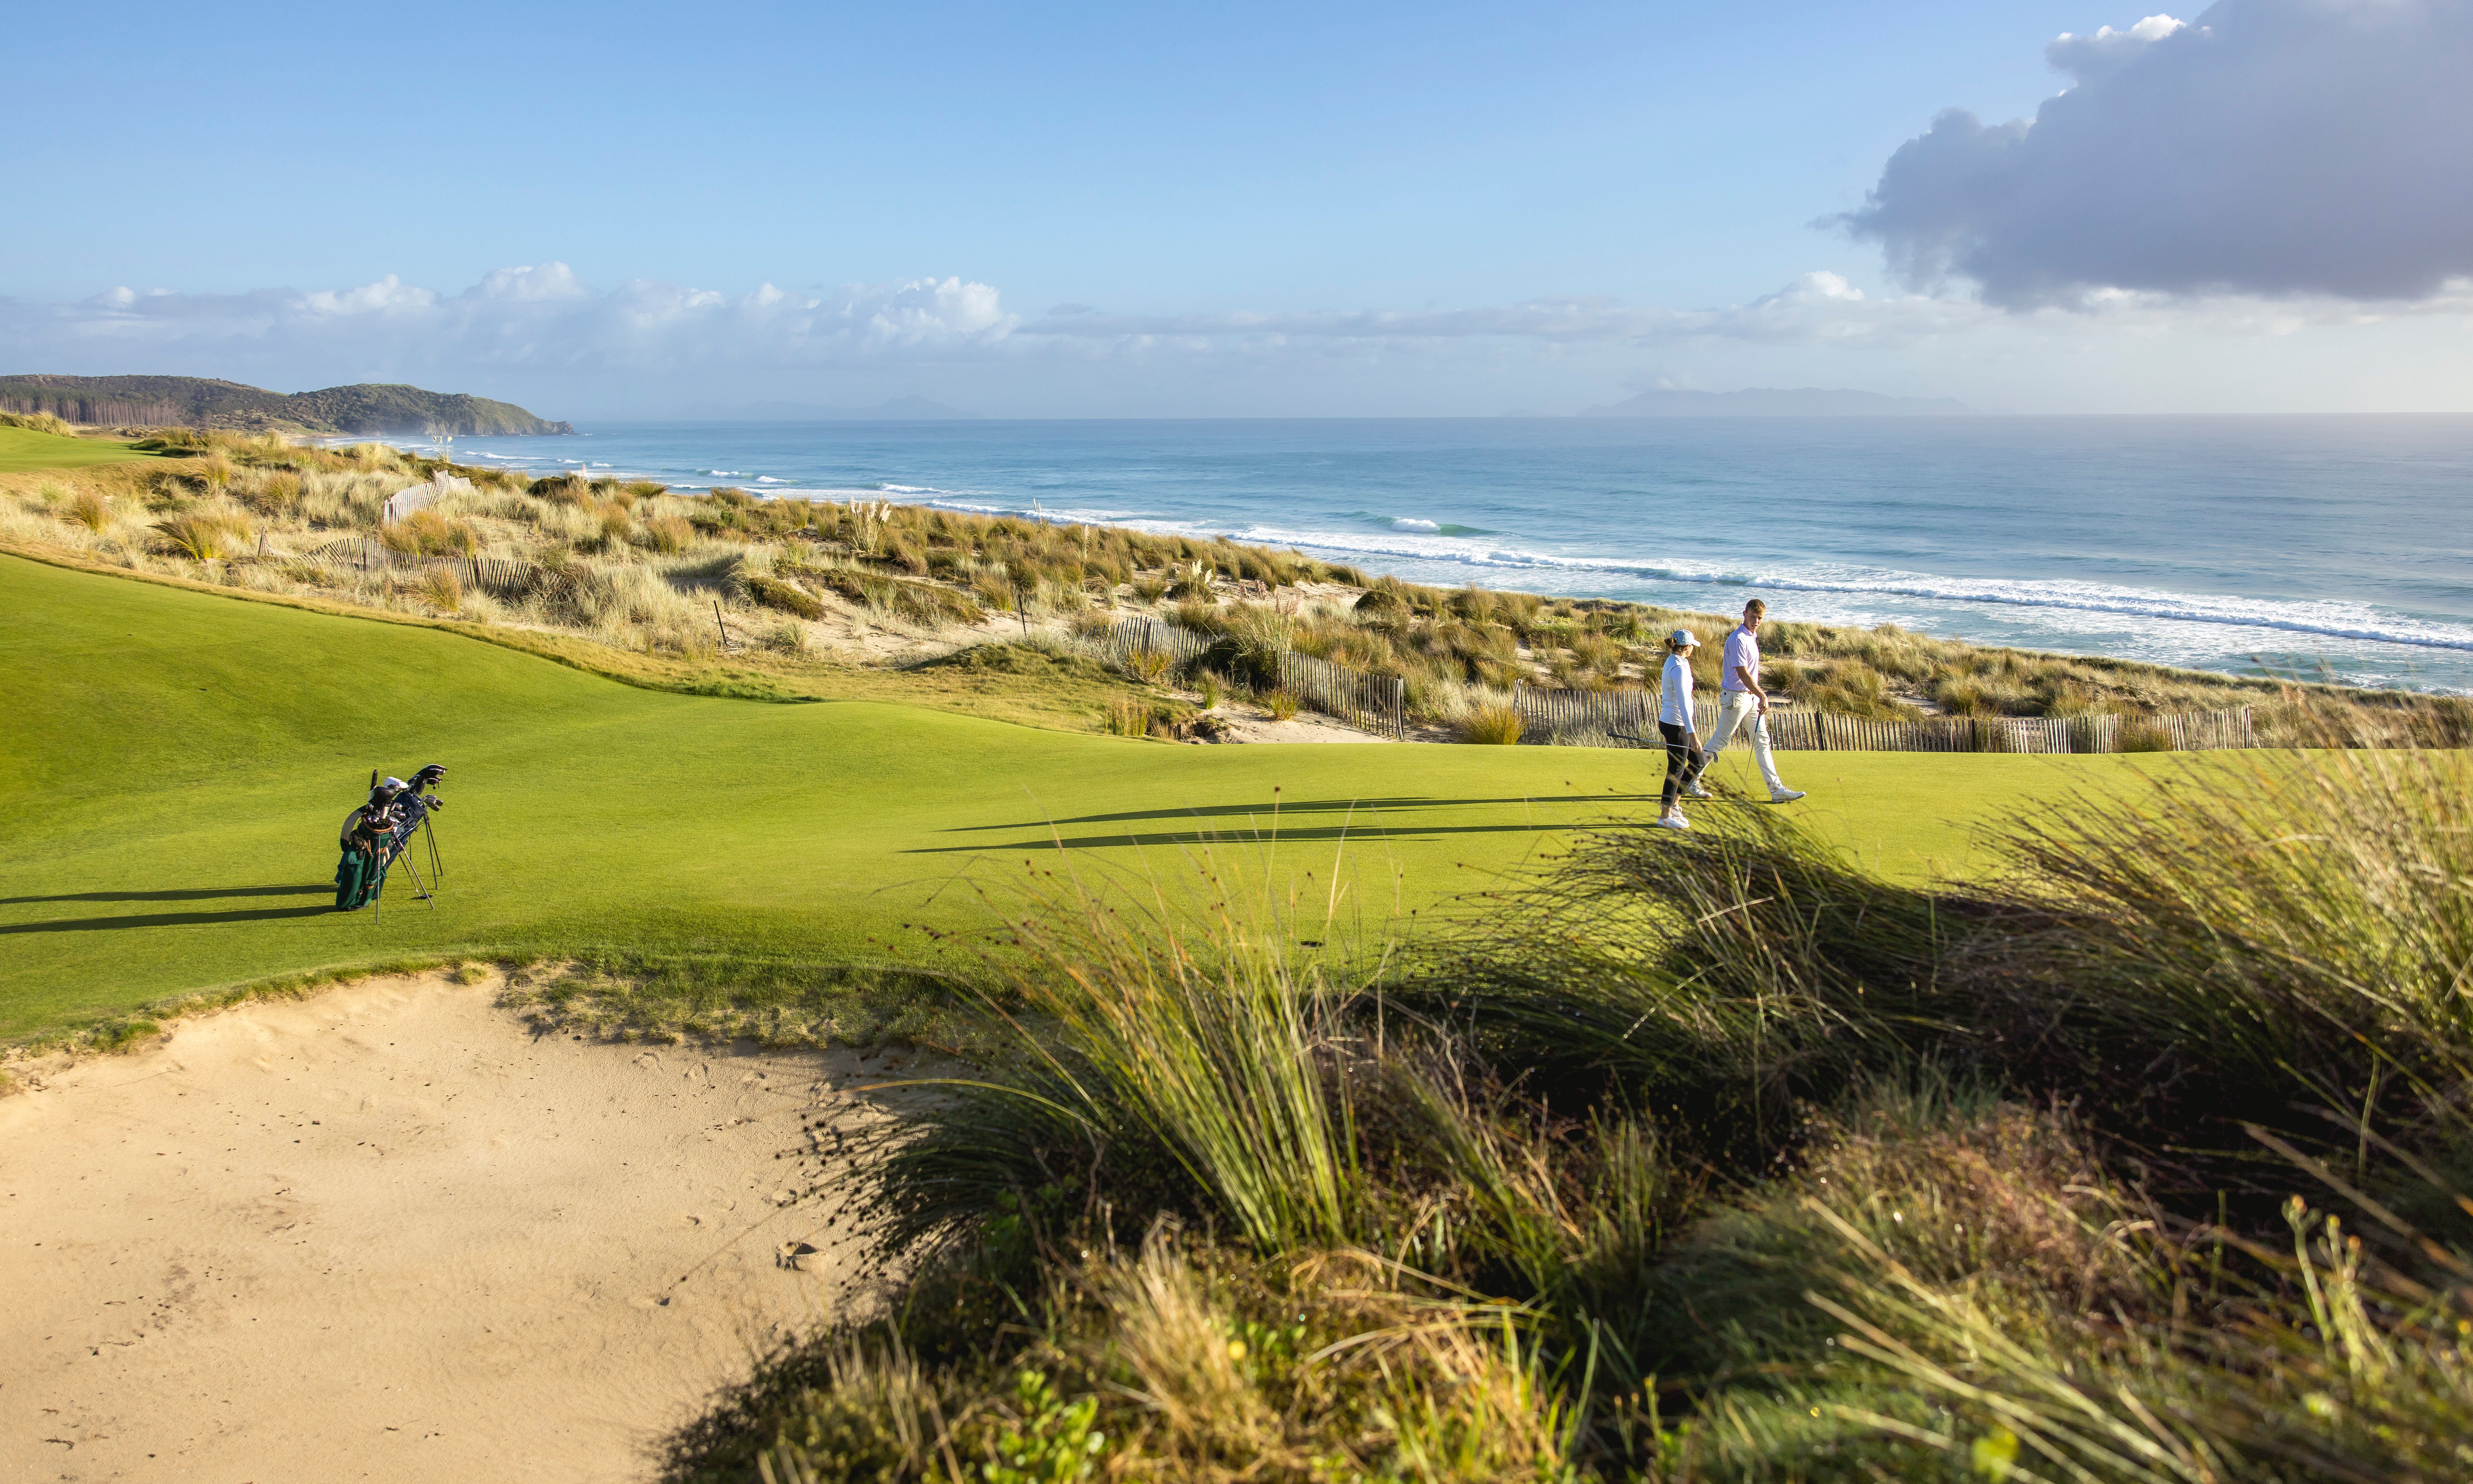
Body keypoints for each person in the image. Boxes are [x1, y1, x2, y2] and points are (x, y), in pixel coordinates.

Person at [1702, 599, 1806, 804]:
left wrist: (1757, 695)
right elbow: (1743, 673)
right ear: (1744, 614)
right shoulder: (1739, 638)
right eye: (1753, 617)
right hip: (1736, 697)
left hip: (1748, 698)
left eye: (1760, 619)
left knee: (1762, 742)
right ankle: (1691, 779)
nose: (1756, 621)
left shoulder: (1752, 637)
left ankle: (1776, 790)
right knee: (1720, 741)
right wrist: (1763, 695)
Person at [1654, 628, 1707, 830]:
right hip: (1676, 725)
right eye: (1692, 645)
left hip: (1677, 723)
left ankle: (1674, 804)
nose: (1694, 648)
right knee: (1676, 769)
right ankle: (1665, 816)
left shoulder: (1679, 663)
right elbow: (1684, 703)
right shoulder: (1678, 668)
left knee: (1698, 762)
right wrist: (1693, 735)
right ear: (1687, 647)